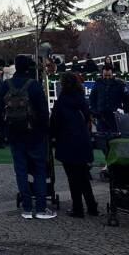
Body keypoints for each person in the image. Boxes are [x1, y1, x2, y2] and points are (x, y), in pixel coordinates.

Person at [0, 55, 55, 220]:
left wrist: (3, 133)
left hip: (14, 134)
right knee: (40, 171)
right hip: (34, 135)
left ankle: (26, 208)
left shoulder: (6, 85)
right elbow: (43, 112)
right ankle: (41, 208)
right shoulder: (34, 86)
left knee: (20, 171)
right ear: (29, 68)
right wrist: (44, 131)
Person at [50, 73, 98, 218]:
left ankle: (78, 207)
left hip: (67, 142)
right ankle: (91, 205)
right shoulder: (81, 99)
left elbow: (54, 124)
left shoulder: (61, 102)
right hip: (82, 141)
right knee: (83, 175)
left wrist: (52, 137)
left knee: (73, 177)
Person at [89, 64, 129, 134]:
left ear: (112, 74)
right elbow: (92, 98)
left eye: (109, 75)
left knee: (115, 139)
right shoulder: (98, 83)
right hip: (101, 117)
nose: (107, 77)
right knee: (102, 139)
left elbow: (127, 100)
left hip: (115, 117)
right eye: (105, 75)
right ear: (102, 74)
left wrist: (124, 111)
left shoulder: (119, 84)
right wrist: (94, 111)